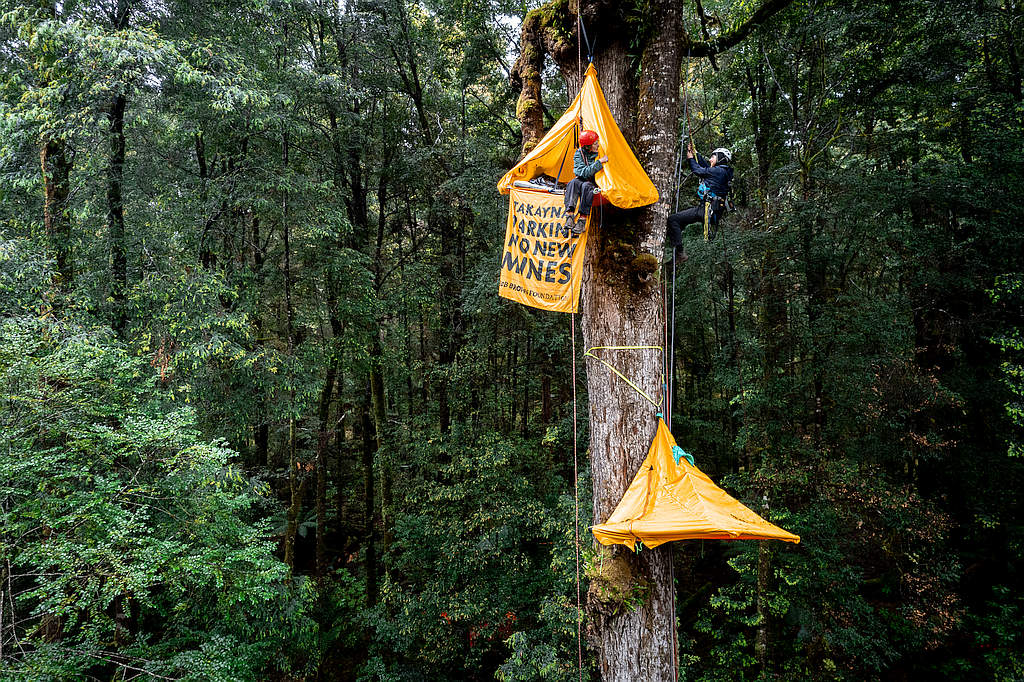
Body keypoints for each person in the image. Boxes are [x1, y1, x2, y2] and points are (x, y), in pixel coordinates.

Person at [667, 144, 733, 248]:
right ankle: (677, 245)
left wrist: (690, 159)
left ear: (720, 158)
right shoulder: (723, 172)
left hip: (706, 210)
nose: (710, 159)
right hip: (710, 210)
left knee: (673, 220)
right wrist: (696, 153)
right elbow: (706, 167)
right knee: (679, 221)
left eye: (713, 157)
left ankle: (679, 252)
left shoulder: (718, 171)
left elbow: (698, 170)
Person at [563, 129, 608, 236]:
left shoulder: (602, 151)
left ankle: (582, 220)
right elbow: (581, 172)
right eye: (595, 144)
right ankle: (569, 216)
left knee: (586, 186)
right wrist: (599, 163)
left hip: (594, 182)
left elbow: (586, 172)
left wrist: (595, 165)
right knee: (573, 183)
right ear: (588, 146)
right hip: (583, 179)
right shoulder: (579, 153)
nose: (598, 145)